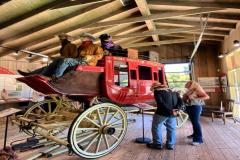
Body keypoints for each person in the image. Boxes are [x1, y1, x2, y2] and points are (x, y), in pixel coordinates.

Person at [18, 33, 104, 78]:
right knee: (57, 61)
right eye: (82, 37)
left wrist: (90, 57)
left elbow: (100, 56)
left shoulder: (96, 47)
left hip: (87, 63)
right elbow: (75, 56)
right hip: (78, 61)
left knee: (65, 61)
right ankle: (38, 75)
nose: (81, 38)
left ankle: (56, 77)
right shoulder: (80, 47)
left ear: (88, 38)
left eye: (83, 37)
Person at [147, 82, 183, 150]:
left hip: (161, 113)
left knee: (156, 127)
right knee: (171, 128)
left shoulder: (157, 92)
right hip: (173, 113)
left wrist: (169, 111)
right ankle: (170, 144)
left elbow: (160, 103)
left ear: (155, 87)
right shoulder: (174, 91)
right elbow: (180, 102)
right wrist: (176, 109)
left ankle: (157, 144)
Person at [183, 80, 209, 146]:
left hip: (196, 107)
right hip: (190, 106)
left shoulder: (197, 89)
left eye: (188, 84)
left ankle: (199, 139)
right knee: (193, 122)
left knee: (195, 122)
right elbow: (187, 98)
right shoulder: (190, 90)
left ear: (192, 84)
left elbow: (207, 97)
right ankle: (194, 134)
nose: (187, 85)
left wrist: (195, 99)